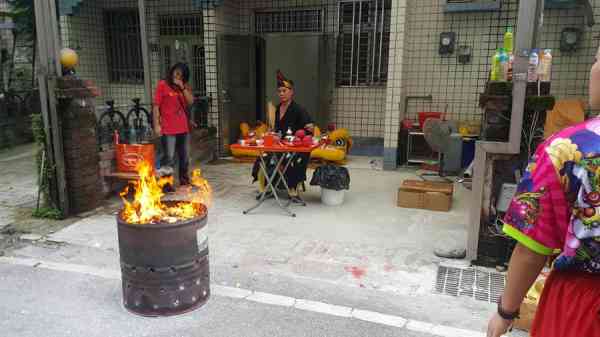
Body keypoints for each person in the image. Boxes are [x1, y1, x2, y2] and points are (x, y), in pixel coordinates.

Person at [486, 49, 600, 337]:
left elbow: (531, 249)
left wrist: (505, 312)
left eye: (597, 59)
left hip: (582, 307)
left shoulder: (567, 149)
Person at [252, 70, 314, 198]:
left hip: (294, 146)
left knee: (293, 158)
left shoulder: (299, 109)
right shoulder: (277, 108)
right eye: (279, 91)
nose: (281, 94)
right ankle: (267, 187)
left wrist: (305, 131)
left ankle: (292, 187)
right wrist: (271, 133)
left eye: (284, 91)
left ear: (291, 92)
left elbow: (309, 129)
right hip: (279, 144)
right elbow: (275, 129)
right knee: (263, 155)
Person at [153, 63, 196, 190]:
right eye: (176, 73)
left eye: (180, 75)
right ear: (172, 72)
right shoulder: (162, 85)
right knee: (169, 157)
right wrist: (156, 125)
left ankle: (184, 180)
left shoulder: (184, 87)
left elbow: (190, 102)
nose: (177, 76)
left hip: (183, 127)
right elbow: (156, 106)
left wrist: (182, 87)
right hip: (168, 128)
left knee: (185, 156)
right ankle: (166, 184)